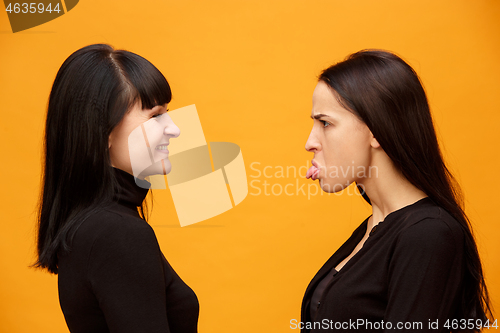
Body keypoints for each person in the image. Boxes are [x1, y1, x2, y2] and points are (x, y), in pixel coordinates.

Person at [302, 50, 492, 332]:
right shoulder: (374, 227)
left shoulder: (428, 235)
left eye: (326, 123)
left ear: (377, 129)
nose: (310, 142)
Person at [33, 44, 199, 333]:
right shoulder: (117, 232)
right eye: (156, 115)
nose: (174, 128)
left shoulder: (89, 225)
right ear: (104, 131)